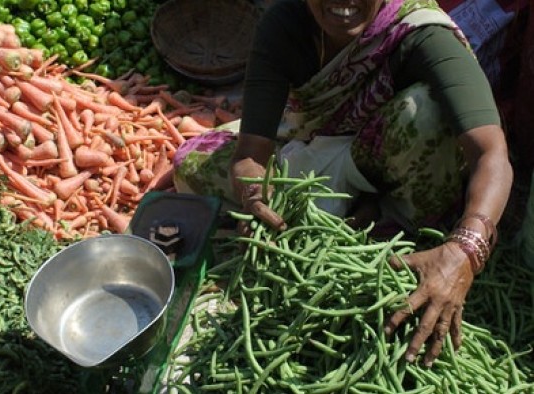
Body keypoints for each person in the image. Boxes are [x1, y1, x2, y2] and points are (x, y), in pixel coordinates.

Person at [173, 0, 513, 367]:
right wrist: (255, 194)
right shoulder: (284, 24)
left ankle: (399, 225)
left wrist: (464, 252)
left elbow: (492, 154)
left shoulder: (421, 32)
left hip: (395, 159)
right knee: (192, 165)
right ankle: (347, 216)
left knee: (424, 111)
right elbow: (252, 152)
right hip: (321, 145)